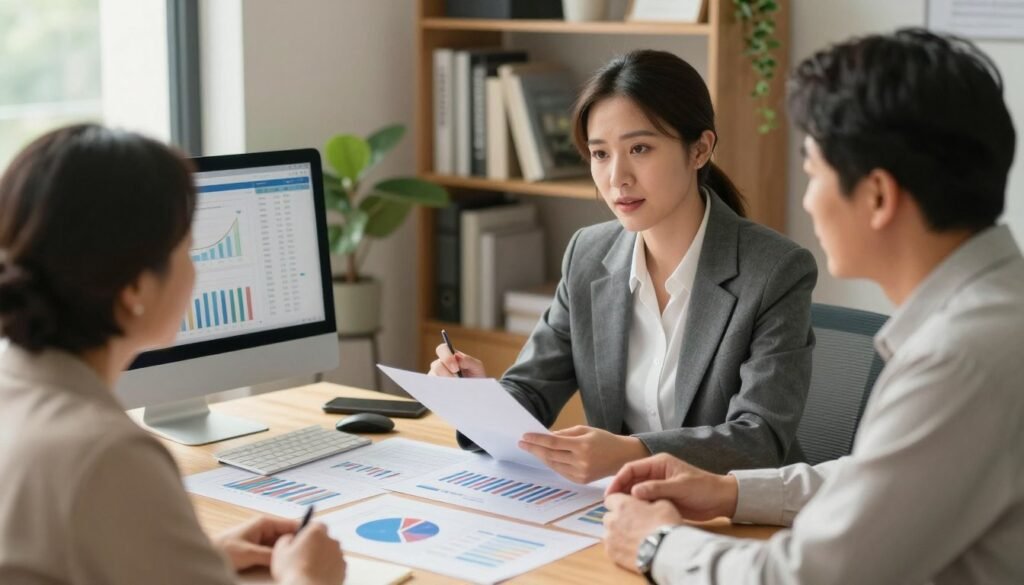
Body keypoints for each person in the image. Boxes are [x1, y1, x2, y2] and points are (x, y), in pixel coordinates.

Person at [602, 29, 1024, 584]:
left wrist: (656, 545)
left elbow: (808, 577)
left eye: (813, 172)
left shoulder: (957, 359)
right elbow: (888, 482)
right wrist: (730, 490)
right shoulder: (994, 313)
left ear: (876, 196)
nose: (806, 200)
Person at [430, 49, 818, 483]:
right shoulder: (587, 255)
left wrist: (629, 454)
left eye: (639, 148)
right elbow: (532, 390)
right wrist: (479, 402)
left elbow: (759, 440)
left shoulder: (775, 271)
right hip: (622, 509)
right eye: (600, 154)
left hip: (735, 517)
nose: (617, 177)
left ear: (700, 149)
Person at [0, 124, 346, 585]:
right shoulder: (110, 454)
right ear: (136, 290)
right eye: (186, 248)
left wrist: (197, 558)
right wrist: (308, 578)